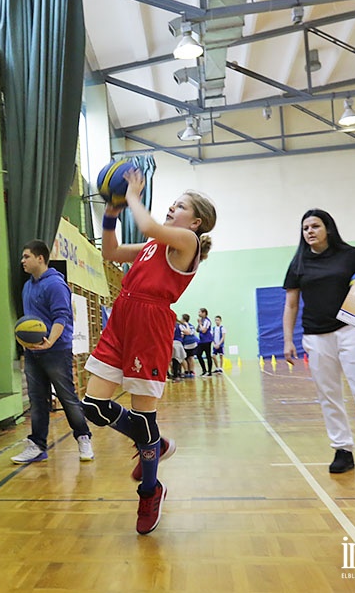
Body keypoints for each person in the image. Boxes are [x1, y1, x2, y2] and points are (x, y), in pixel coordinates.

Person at [81, 169, 216, 534]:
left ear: (196, 220)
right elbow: (109, 251)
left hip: (150, 325)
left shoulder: (187, 242)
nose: (173, 206)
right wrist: (111, 212)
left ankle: (150, 489)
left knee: (144, 417)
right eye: (173, 203)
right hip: (123, 316)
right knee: (92, 407)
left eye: (181, 205)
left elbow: (149, 226)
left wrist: (133, 196)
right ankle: (154, 442)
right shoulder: (153, 247)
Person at [282, 208, 355, 481]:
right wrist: (288, 340)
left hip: (351, 331)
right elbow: (291, 304)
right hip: (315, 337)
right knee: (329, 395)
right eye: (305, 228)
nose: (309, 231)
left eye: (315, 226)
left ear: (328, 228)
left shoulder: (349, 255)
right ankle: (342, 450)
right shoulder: (298, 263)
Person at [12, 240, 94, 464]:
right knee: (37, 400)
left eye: (26, 256)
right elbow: (28, 322)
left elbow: (62, 317)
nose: (22, 261)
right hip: (33, 352)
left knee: (67, 397)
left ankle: (83, 437)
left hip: (56, 350)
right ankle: (38, 445)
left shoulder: (56, 284)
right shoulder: (27, 285)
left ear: (40, 258)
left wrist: (50, 342)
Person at [195, 308, 213, 377]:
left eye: (200, 312)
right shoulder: (202, 321)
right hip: (201, 341)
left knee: (208, 355)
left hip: (207, 340)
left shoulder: (207, 321)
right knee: (198, 354)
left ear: (204, 313)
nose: (198, 313)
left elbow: (203, 330)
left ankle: (209, 372)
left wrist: (200, 324)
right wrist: (199, 324)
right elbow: (197, 330)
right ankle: (204, 370)